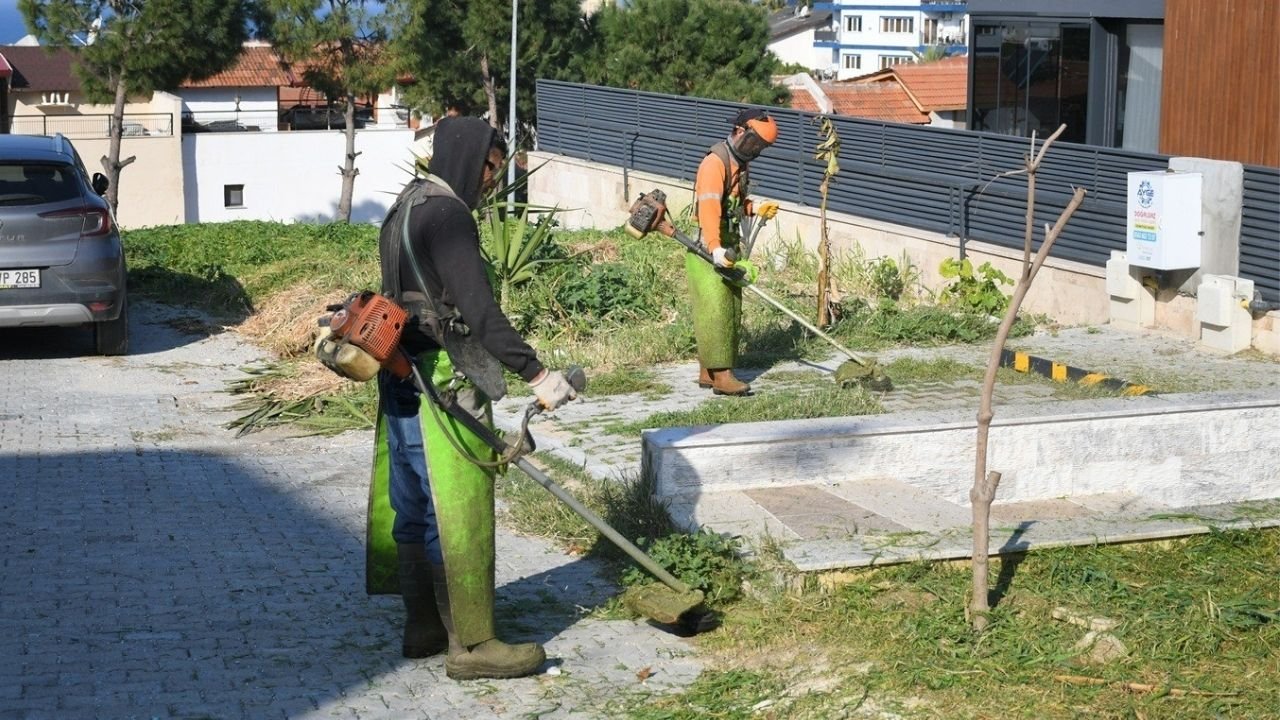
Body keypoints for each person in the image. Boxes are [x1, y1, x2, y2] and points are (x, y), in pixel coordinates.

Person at [369, 116, 576, 681]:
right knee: (458, 508)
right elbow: (480, 312)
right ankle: (474, 644)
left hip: (399, 371)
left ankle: (424, 626)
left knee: (413, 503)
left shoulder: (406, 205)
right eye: (490, 167)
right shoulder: (450, 216)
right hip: (444, 379)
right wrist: (537, 374)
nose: (491, 180)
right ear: (468, 156)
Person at [688, 108, 779, 396]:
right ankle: (723, 377)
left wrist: (756, 207)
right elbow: (709, 208)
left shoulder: (739, 163)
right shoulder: (715, 164)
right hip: (706, 245)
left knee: (727, 307)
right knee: (717, 310)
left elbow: (733, 204)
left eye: (762, 148)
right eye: (755, 144)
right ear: (740, 132)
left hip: (725, 242)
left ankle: (707, 370)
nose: (756, 151)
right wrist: (714, 248)